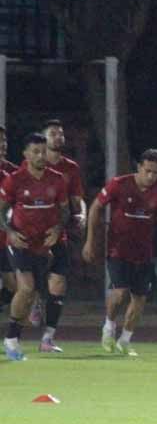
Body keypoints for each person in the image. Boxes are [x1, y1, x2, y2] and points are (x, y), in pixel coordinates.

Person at [82, 149, 157, 356]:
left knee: (140, 299)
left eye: (156, 172)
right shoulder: (119, 184)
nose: (151, 176)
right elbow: (96, 207)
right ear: (139, 167)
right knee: (120, 293)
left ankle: (125, 340)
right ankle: (108, 326)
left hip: (144, 252)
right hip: (118, 249)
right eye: (148, 170)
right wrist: (90, 240)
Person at [0, 133, 69, 360]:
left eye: (43, 151)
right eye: (36, 152)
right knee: (26, 288)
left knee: (35, 293)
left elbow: (65, 210)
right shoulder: (14, 180)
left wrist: (58, 229)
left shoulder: (57, 179)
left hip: (46, 243)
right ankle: (11, 339)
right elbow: (1, 210)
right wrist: (10, 232)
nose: (41, 156)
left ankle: (32, 337)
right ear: (25, 154)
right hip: (20, 242)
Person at [21, 120, 85, 348]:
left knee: (58, 283)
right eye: (53, 134)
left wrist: (81, 215)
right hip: (30, 235)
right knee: (27, 284)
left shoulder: (70, 169)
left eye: (61, 133)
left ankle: (47, 339)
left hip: (58, 231)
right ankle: (37, 298)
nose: (58, 137)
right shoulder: (28, 167)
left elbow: (77, 199)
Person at [0, 125, 19, 317]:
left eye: (4, 141)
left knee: (14, 287)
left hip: (5, 239)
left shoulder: (13, 173)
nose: (2, 145)